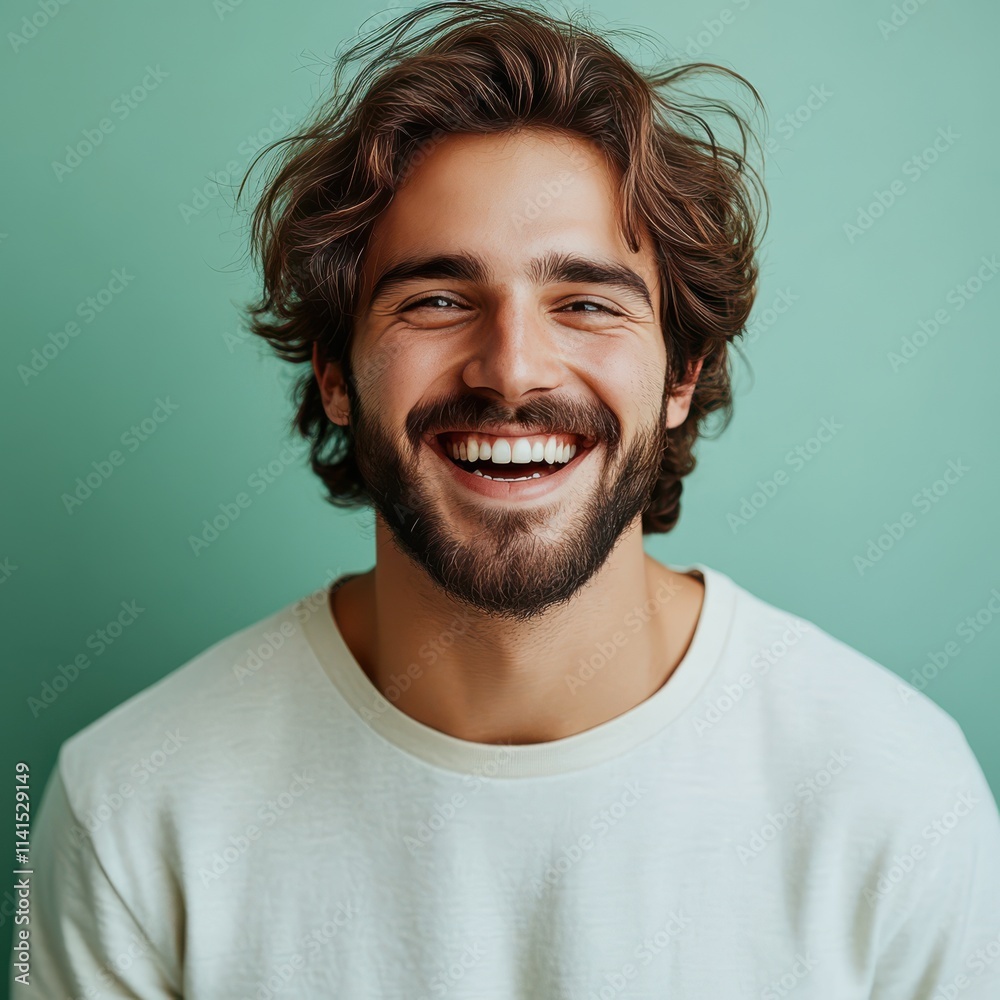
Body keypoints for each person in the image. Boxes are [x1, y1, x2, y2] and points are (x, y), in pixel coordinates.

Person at [13, 2, 1000, 997]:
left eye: (586, 302)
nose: (514, 369)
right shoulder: (132, 810)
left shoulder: (896, 794)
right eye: (436, 300)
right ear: (335, 374)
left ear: (680, 374)